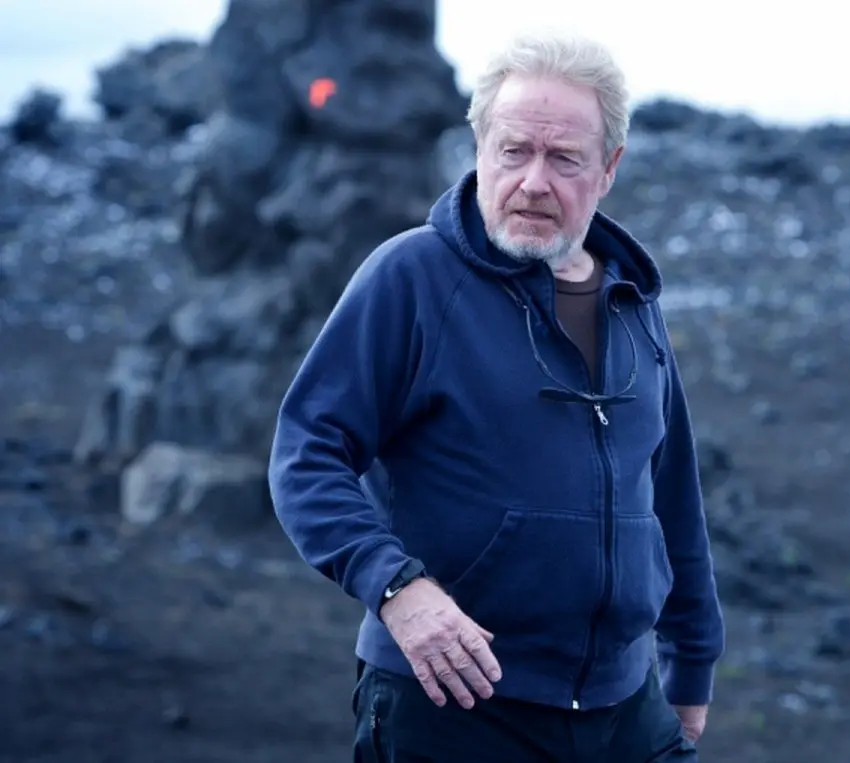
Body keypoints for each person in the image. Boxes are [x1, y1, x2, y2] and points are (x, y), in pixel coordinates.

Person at [268, 31, 725, 763]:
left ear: (608, 168)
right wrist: (397, 589)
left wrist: (692, 659)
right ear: (480, 147)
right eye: (514, 151)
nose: (534, 181)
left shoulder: (632, 300)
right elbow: (306, 453)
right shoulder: (412, 278)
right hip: (454, 702)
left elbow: (671, 496)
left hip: (626, 707)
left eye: (565, 158)